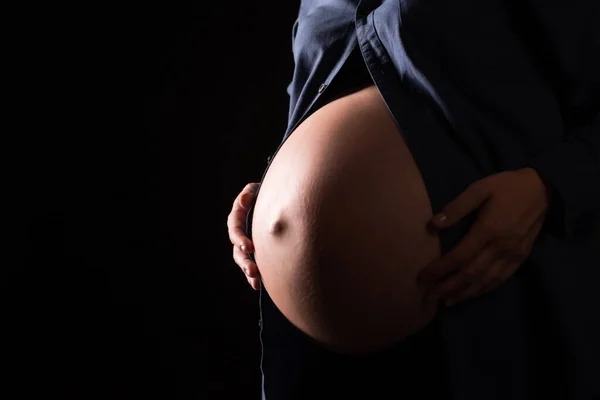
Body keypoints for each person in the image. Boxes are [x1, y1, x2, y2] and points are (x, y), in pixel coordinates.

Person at [227, 0, 600, 399]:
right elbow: (313, 98)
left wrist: (548, 185)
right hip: (314, 359)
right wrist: (271, 194)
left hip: (480, 312)